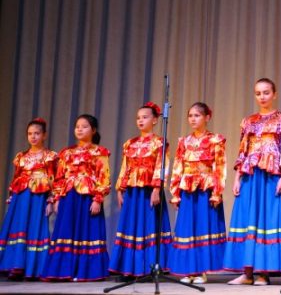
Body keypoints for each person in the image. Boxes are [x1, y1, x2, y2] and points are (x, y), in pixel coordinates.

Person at [224, 79, 281, 285]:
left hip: (271, 176)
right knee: (248, 220)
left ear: (274, 94)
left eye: (266, 92)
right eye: (258, 93)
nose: (262, 97)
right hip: (250, 175)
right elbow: (243, 151)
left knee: (267, 221)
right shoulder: (248, 121)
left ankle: (263, 273)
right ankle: (247, 273)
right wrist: (237, 178)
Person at [43, 114, 111, 281]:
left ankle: (86, 271)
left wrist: (98, 199)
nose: (80, 129)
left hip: (88, 197)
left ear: (93, 130)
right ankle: (64, 271)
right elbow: (59, 177)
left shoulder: (99, 152)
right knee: (66, 230)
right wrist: (57, 199)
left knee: (87, 231)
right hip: (69, 196)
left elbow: (104, 177)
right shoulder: (66, 152)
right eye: (77, 126)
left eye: (84, 126)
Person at [108, 102, 172, 278]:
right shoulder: (130, 144)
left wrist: (157, 188)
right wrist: (120, 189)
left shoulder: (159, 142)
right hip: (133, 191)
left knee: (148, 225)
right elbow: (125, 167)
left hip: (149, 190)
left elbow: (161, 166)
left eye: (145, 117)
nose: (140, 120)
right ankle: (129, 268)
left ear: (155, 120)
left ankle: (149, 267)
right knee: (131, 225)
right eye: (138, 118)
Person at [167, 102, 226, 284]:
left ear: (207, 117)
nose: (193, 119)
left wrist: (217, 192)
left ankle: (201, 271)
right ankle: (188, 270)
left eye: (197, 115)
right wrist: (175, 192)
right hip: (187, 188)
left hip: (205, 188)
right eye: (190, 115)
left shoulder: (215, 140)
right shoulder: (184, 142)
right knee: (187, 228)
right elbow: (178, 167)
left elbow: (219, 167)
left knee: (203, 227)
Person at [0, 118, 58, 279]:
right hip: (21, 197)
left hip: (38, 197)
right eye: (30, 133)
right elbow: (15, 177)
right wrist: (12, 197)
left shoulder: (50, 156)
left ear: (44, 135)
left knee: (35, 227)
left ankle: (34, 268)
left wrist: (51, 200)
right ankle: (15, 265)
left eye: (37, 133)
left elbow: (53, 180)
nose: (33, 136)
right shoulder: (21, 156)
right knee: (18, 227)